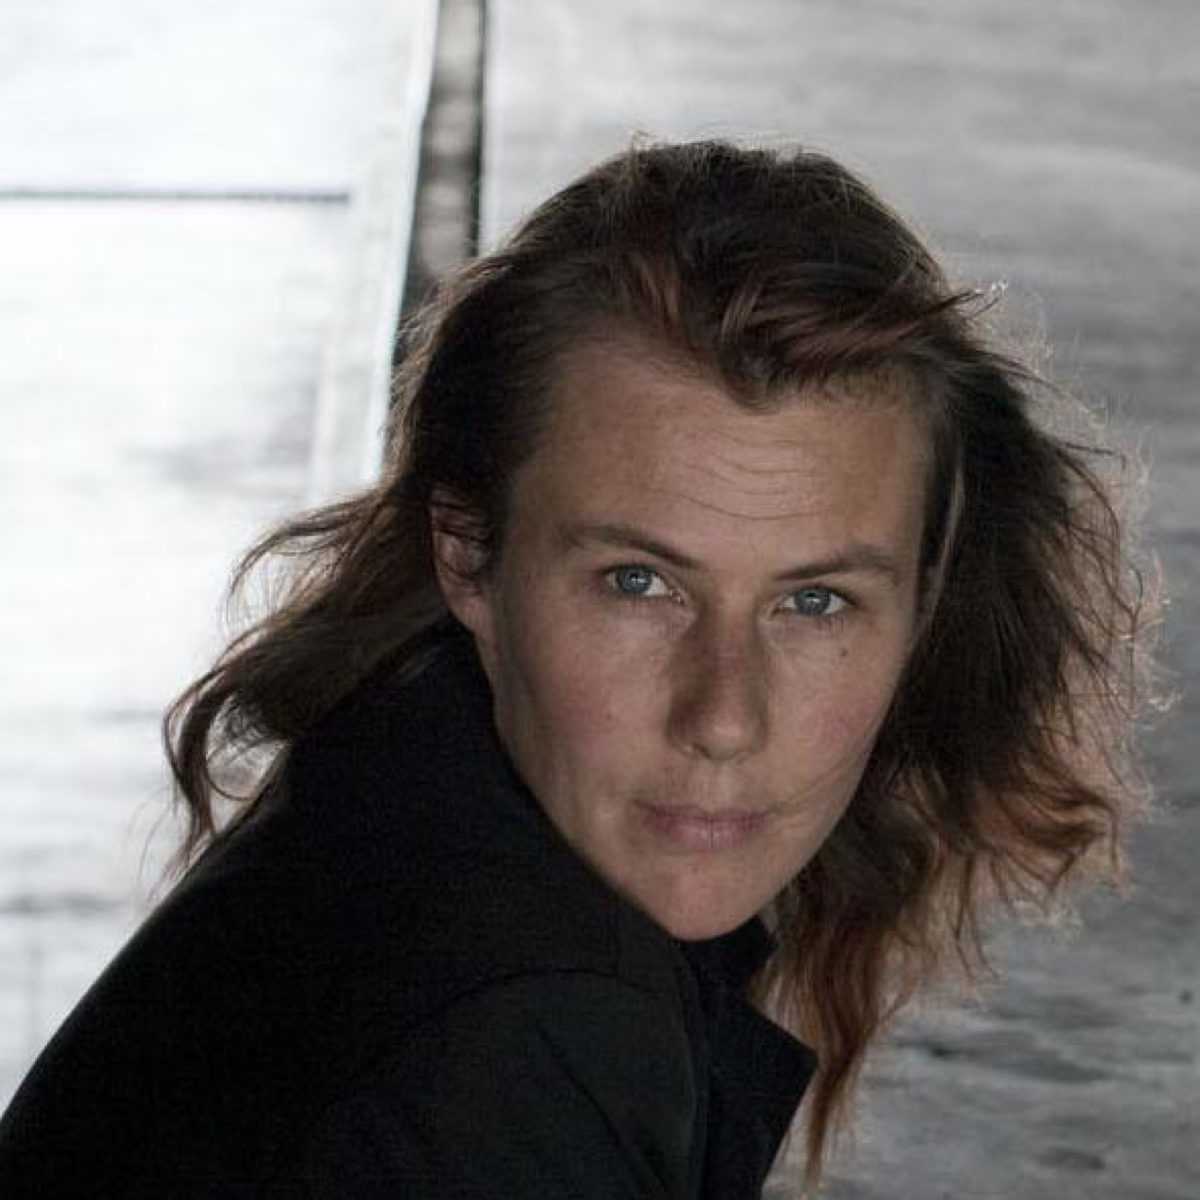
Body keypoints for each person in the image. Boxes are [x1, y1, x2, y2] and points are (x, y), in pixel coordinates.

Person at [0, 139, 1157, 1198]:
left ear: (927, 597)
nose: (724, 716)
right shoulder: (520, 1039)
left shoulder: (404, 771)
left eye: (815, 602)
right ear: (470, 554)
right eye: (638, 584)